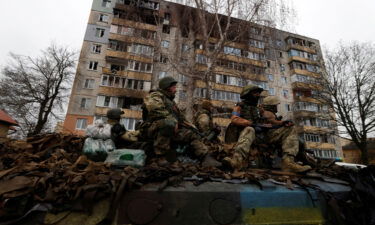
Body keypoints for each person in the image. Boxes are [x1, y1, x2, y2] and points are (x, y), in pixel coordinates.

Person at [223, 85, 311, 173]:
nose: (258, 95)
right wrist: (251, 124)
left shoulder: (259, 109)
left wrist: (282, 123)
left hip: (262, 136)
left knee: (290, 129)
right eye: (255, 93)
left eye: (258, 93)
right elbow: (234, 119)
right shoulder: (239, 106)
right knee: (249, 129)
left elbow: (271, 121)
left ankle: (288, 163)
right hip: (246, 135)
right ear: (247, 94)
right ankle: (236, 161)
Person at [140, 76, 221, 167]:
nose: (176, 89)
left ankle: (205, 157)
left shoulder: (171, 102)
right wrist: (173, 121)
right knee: (168, 123)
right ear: (167, 87)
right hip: (151, 128)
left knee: (191, 133)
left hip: (168, 129)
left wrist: (192, 127)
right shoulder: (155, 95)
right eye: (174, 87)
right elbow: (155, 109)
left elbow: (181, 119)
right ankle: (160, 156)